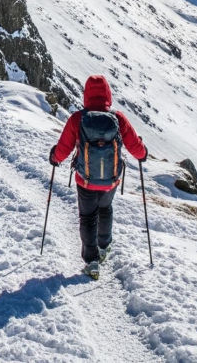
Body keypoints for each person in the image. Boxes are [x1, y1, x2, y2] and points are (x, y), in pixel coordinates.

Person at [49, 74, 147, 276]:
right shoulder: (118, 118)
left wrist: (54, 158)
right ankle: (104, 246)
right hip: (110, 180)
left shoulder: (78, 119)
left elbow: (64, 147)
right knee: (105, 208)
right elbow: (134, 145)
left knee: (87, 217)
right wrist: (143, 153)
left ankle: (92, 261)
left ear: (86, 95)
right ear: (107, 94)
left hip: (85, 180)